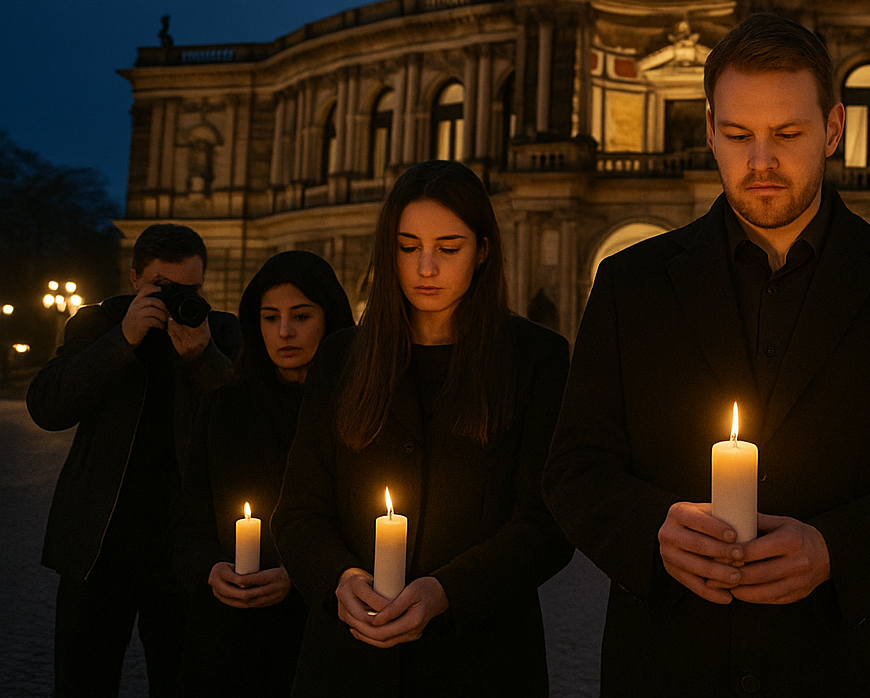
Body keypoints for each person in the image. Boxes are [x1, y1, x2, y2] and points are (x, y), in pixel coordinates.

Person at [543, 13, 870, 697]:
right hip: (669, 664)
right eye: (737, 134)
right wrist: (653, 532)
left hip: (851, 667)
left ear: (833, 129)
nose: (760, 162)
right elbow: (574, 471)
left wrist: (836, 550)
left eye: (787, 134)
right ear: (708, 130)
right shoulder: (629, 284)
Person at [272, 160, 572, 696]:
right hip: (348, 661)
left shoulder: (536, 359)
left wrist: (447, 591)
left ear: (482, 250)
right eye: (408, 247)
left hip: (479, 660)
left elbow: (547, 525)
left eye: (448, 248)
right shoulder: (342, 357)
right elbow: (299, 510)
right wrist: (339, 580)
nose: (425, 267)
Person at [27, 223, 239, 697]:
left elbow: (247, 425)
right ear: (135, 279)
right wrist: (122, 340)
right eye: (163, 288)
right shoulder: (98, 323)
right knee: (83, 682)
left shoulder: (220, 331)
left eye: (190, 289)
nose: (176, 300)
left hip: (185, 550)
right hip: (98, 547)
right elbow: (47, 407)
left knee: (183, 683)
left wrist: (205, 358)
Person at [173, 250, 355, 697]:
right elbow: (187, 525)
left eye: (301, 316)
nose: (285, 332)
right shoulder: (225, 408)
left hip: (325, 635)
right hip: (232, 642)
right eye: (269, 317)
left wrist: (301, 573)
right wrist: (210, 570)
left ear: (331, 319)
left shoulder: (358, 412)